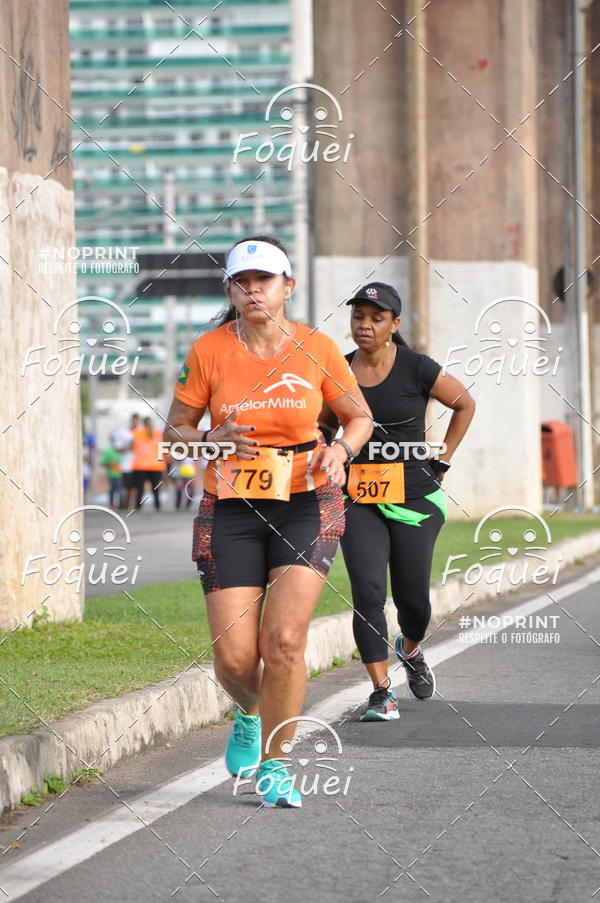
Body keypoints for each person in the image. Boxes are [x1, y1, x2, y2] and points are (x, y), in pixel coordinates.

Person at [164, 235, 372, 807]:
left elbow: (358, 417)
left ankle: (276, 763)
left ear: (288, 287)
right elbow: (174, 434)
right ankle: (251, 710)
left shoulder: (317, 347)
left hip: (306, 500)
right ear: (230, 291)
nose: (253, 290)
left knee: (283, 641)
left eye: (264, 280)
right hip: (230, 507)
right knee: (235, 660)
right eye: (242, 281)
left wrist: (341, 450)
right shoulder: (208, 350)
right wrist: (209, 439)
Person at [321, 282, 475, 721]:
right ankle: (380, 692)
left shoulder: (417, 367)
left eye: (376, 317)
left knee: (414, 603)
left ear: (394, 324)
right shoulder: (338, 369)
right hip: (357, 498)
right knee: (368, 592)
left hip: (415, 497)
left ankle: (410, 649)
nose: (365, 325)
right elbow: (325, 425)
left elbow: (465, 404)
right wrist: (324, 451)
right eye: (358, 316)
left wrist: (442, 460)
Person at [132, 416, 166, 510]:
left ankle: (138, 508)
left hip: (140, 466)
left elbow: (131, 445)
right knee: (156, 489)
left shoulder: (137, 432)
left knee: (140, 489)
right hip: (156, 465)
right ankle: (158, 508)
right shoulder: (158, 433)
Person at [112, 413, 139, 509]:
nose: (136, 422)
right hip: (126, 465)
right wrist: (129, 446)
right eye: (134, 420)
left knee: (135, 487)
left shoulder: (141, 433)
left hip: (139, 465)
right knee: (126, 487)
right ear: (131, 420)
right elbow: (117, 448)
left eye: (137, 420)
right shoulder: (125, 433)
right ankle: (125, 505)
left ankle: (133, 506)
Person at [100, 433, 123, 510]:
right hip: (111, 475)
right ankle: (111, 505)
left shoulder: (121, 451)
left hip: (121, 475)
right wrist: (111, 464)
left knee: (120, 491)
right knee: (112, 490)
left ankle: (121, 506)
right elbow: (102, 463)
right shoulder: (108, 451)